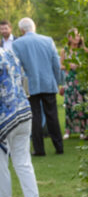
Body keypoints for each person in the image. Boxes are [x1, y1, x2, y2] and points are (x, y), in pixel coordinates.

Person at [0, 44, 42, 197]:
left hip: (5, 116)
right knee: (23, 161)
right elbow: (23, 80)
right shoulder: (9, 54)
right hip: (24, 111)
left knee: (1, 165)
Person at [11, 17, 63, 156]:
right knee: (52, 115)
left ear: (22, 30)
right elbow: (56, 65)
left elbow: (16, 68)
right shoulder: (48, 40)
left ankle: (39, 149)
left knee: (35, 117)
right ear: (34, 27)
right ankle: (59, 147)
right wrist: (56, 82)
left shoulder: (17, 44)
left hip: (31, 85)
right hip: (48, 82)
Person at [59, 28, 88, 139]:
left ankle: (83, 130)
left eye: (78, 36)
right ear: (69, 38)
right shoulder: (65, 51)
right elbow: (61, 65)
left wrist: (81, 66)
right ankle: (68, 130)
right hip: (70, 80)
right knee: (69, 104)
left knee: (82, 104)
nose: (76, 38)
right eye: (74, 36)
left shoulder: (85, 50)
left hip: (82, 80)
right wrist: (69, 66)